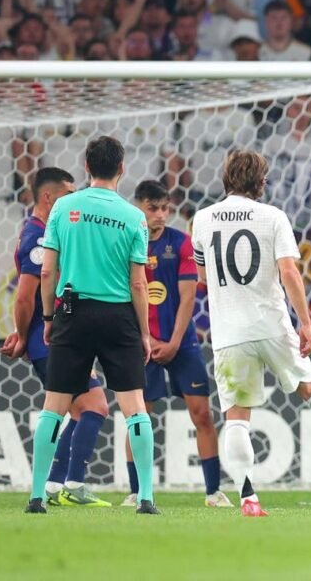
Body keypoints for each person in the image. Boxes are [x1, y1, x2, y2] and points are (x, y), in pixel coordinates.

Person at [191, 151, 311, 516]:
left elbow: (202, 276)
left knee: (237, 417)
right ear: (260, 182)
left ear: (226, 179)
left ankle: (248, 498)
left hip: (229, 333)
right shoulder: (273, 216)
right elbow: (290, 273)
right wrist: (306, 323)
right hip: (273, 325)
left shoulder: (202, 219)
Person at [24, 137, 158, 515]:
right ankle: (145, 497)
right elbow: (138, 283)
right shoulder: (134, 216)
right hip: (118, 316)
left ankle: (37, 495)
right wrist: (144, 332)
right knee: (135, 409)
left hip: (72, 310)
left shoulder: (63, 207)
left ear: (86, 166)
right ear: (122, 168)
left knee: (54, 407)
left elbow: (47, 271)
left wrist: (48, 318)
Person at [2, 168, 112, 508]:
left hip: (58, 335)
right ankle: (68, 485)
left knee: (78, 411)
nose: (73, 201)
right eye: (67, 195)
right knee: (93, 406)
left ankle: (53, 486)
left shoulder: (44, 232)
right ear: (48, 198)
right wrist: (23, 335)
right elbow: (24, 297)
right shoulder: (37, 237)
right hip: (50, 338)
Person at [124, 181, 230, 508]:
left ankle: (213, 492)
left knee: (202, 414)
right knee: (140, 417)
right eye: (152, 208)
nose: (160, 214)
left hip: (181, 345)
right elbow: (124, 296)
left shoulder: (181, 242)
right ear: (138, 208)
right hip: (142, 344)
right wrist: (148, 338)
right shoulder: (125, 242)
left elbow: (188, 298)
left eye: (164, 208)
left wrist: (172, 342)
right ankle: (136, 491)